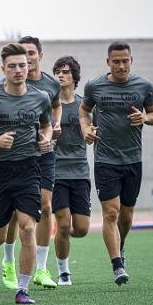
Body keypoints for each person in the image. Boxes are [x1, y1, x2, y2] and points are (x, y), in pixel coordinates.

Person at [0, 43, 52, 304]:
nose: (18, 70)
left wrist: (46, 139)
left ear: (30, 66)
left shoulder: (41, 97)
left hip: (28, 168)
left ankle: (23, 289)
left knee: (27, 228)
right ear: (3, 69)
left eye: (22, 65)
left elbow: (47, 124)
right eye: (12, 66)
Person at [79, 41, 153, 285]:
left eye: (125, 60)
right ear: (108, 62)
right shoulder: (94, 86)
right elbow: (84, 110)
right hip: (105, 159)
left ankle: (121, 244)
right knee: (111, 213)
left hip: (133, 159)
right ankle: (117, 265)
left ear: (131, 60)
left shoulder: (144, 86)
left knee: (126, 215)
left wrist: (145, 117)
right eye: (116, 61)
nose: (121, 65)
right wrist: (85, 129)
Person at [1, 36, 62, 290]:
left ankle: (41, 268)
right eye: (22, 55)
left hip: (43, 152)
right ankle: (7, 262)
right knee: (15, 213)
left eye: (31, 54)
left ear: (38, 56)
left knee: (46, 206)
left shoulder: (51, 84)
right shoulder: (6, 86)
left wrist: (52, 128)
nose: (26, 60)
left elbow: (55, 107)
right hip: (16, 156)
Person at [51, 56, 91, 285]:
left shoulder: (84, 105)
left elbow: (94, 130)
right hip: (57, 172)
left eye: (65, 72)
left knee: (82, 229)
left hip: (80, 172)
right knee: (64, 224)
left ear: (74, 76)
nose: (60, 75)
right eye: (57, 72)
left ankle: (63, 234)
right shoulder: (50, 106)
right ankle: (63, 271)